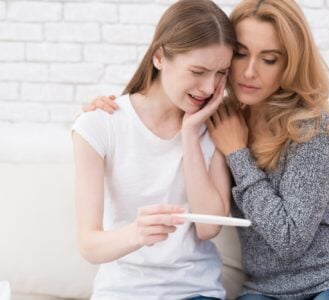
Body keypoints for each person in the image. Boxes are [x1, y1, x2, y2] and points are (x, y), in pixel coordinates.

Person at [85, 0, 329, 299]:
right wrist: (102, 111)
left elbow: (290, 239)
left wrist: (237, 153)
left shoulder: (310, 128)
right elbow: (154, 106)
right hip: (265, 288)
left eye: (269, 59)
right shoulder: (216, 117)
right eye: (241, 55)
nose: (250, 72)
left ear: (289, 64)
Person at [72, 0, 236, 299]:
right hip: (122, 292)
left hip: (194, 291)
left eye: (220, 73)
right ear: (160, 56)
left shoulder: (217, 128)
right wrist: (138, 233)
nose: (209, 87)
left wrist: (189, 133)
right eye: (198, 71)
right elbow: (89, 245)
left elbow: (208, 228)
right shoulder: (99, 125)